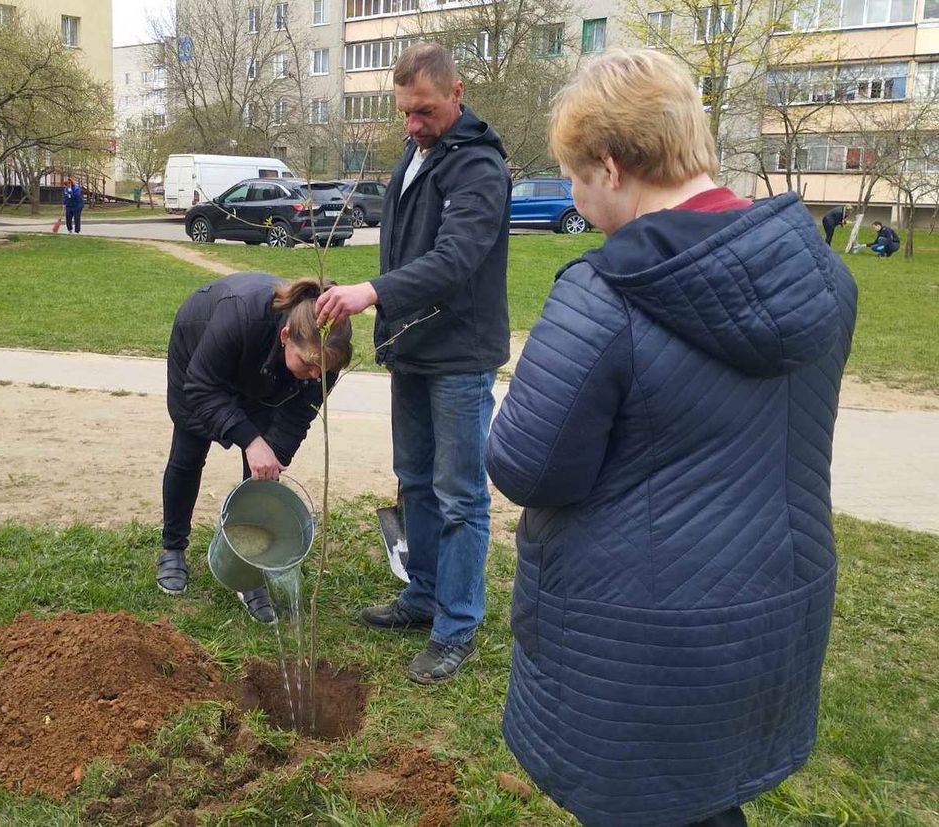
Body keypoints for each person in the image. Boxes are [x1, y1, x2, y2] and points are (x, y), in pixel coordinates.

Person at [484, 49, 857, 827]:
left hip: (641, 637)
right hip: (770, 608)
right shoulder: (819, 275)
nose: (580, 208)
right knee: (703, 801)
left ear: (611, 166)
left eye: (576, 181)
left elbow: (526, 464)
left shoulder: (605, 295)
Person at [314, 42, 510, 684]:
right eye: (404, 113)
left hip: (458, 357)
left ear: (457, 94)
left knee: (459, 496)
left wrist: (373, 294)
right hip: (412, 350)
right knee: (415, 482)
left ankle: (456, 627)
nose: (412, 124)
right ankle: (421, 596)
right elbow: (405, 249)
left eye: (424, 111)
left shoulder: (478, 168)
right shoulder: (417, 152)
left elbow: (455, 260)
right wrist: (382, 303)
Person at [158, 274, 353, 624]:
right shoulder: (241, 315)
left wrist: (272, 453)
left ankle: (249, 572)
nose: (313, 375)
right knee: (189, 451)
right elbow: (201, 388)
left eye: (321, 370)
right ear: (285, 338)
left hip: (266, 372)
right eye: (307, 364)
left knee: (263, 469)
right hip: (199, 352)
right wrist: (249, 439)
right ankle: (173, 548)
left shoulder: (322, 363)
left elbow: (297, 416)